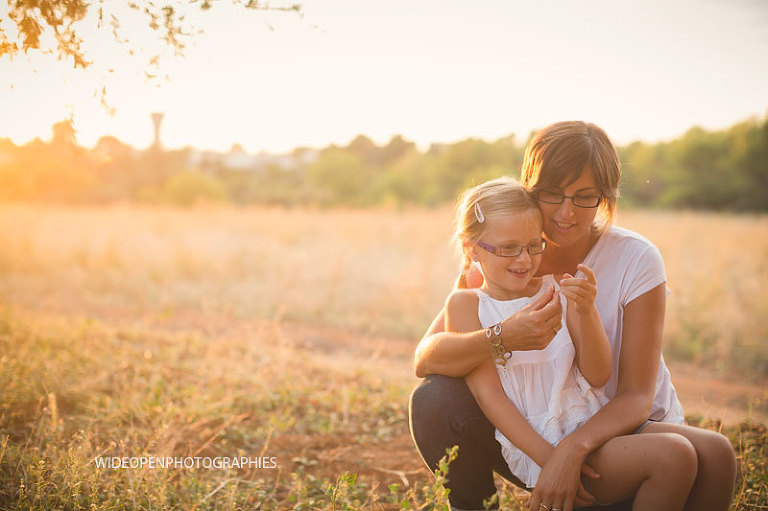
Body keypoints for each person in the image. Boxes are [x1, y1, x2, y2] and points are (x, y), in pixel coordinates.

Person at [409, 121, 737, 511]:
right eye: (553, 194)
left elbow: (633, 395)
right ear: (531, 188)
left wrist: (571, 450)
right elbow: (428, 357)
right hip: (541, 431)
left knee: (718, 453)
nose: (567, 212)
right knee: (434, 398)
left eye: (585, 197)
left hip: (620, 424)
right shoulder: (504, 257)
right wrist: (503, 337)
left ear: (605, 197)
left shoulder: (632, 258)